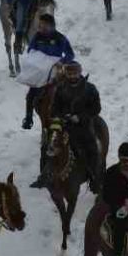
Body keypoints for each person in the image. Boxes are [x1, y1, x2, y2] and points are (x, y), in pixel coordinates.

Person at [41, 60, 102, 191]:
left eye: (75, 73)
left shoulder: (90, 89)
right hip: (64, 125)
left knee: (92, 149)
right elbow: (54, 108)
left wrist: (80, 117)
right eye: (69, 74)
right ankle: (44, 175)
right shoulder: (60, 88)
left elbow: (96, 108)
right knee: (47, 145)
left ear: (80, 73)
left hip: (83, 125)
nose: (72, 76)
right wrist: (61, 117)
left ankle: (94, 177)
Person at [21, 12, 74, 131]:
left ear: (52, 26)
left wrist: (62, 61)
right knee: (31, 94)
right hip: (40, 71)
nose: (41, 28)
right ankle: (28, 118)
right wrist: (35, 59)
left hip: (56, 69)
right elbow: (30, 50)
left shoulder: (60, 38)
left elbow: (70, 54)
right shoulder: (37, 37)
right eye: (40, 25)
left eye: (44, 25)